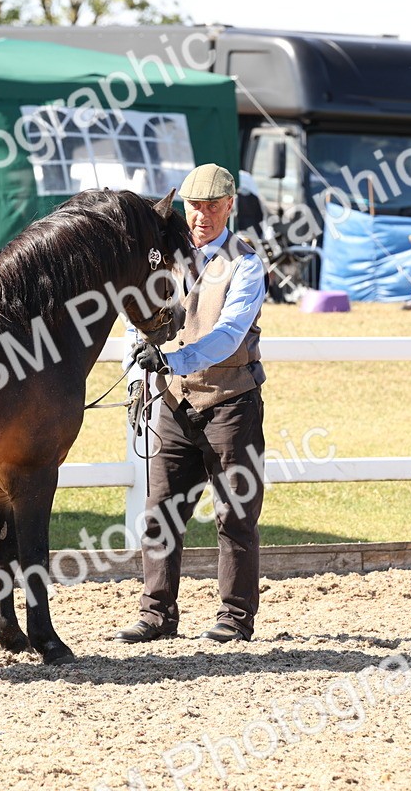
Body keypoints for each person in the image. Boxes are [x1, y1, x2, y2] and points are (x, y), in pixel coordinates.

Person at [112, 163, 268, 645]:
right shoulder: (168, 257)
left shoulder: (246, 263)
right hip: (173, 404)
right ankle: (157, 614)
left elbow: (229, 333)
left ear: (230, 206)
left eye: (212, 206)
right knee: (160, 512)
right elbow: (139, 319)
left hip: (231, 403)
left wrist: (173, 360)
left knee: (235, 514)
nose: (201, 216)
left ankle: (235, 617)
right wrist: (138, 375)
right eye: (194, 207)